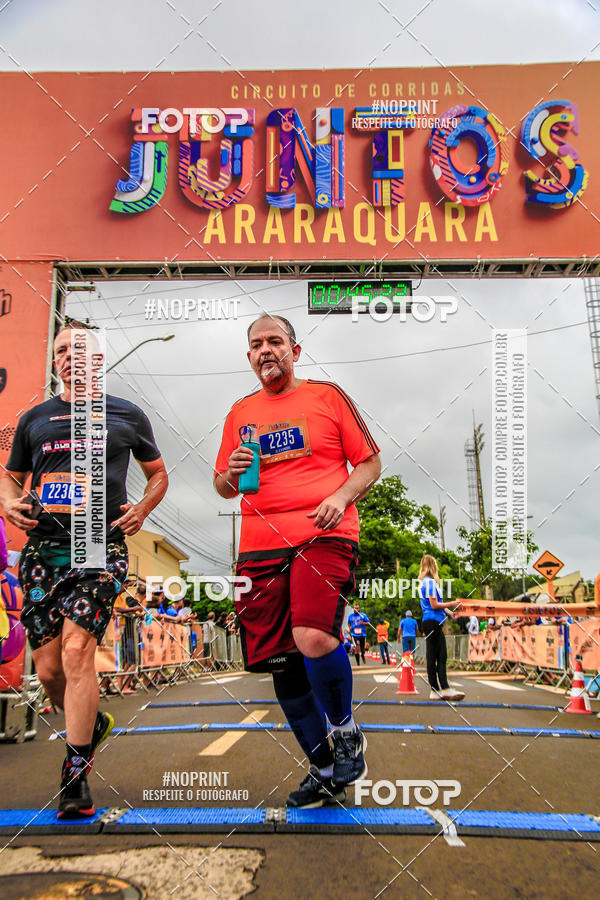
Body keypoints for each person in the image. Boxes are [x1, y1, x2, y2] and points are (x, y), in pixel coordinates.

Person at [0, 321, 168, 818]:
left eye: (80, 349)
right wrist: (8, 504)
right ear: (55, 363)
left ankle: (74, 779)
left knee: (77, 653)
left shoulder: (127, 415)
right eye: (61, 350)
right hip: (43, 551)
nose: (69, 356)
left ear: (98, 360)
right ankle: (90, 727)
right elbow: (9, 479)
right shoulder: (35, 419)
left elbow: (157, 474)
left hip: (100, 545)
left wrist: (143, 509)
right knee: (49, 669)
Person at [214, 314, 381, 808]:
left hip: (322, 531)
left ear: (295, 350)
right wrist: (230, 473)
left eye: (275, 341)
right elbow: (222, 486)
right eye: (256, 344)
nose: (266, 350)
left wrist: (341, 496)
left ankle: (346, 732)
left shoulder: (327, 397)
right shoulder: (239, 412)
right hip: (259, 546)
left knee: (312, 635)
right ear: (249, 357)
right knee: (282, 663)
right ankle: (325, 769)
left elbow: (370, 461)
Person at [418, 555, 465, 701]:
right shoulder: (430, 583)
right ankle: (442, 688)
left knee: (435, 655)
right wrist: (451, 603)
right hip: (432, 621)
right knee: (439, 655)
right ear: (433, 566)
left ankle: (437, 689)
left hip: (432, 621)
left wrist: (450, 613)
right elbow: (434, 605)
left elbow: (436, 605)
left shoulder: (424, 583)